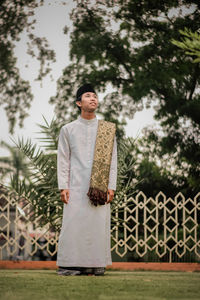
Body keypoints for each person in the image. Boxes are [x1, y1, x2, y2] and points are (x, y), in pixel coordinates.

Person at [56, 83, 117, 276]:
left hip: (99, 186)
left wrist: (111, 186)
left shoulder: (107, 130)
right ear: (78, 103)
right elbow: (63, 158)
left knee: (97, 224)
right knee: (73, 225)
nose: (93, 99)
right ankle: (70, 265)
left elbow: (113, 160)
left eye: (95, 96)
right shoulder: (68, 129)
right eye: (88, 96)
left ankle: (95, 264)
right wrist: (63, 186)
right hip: (75, 186)